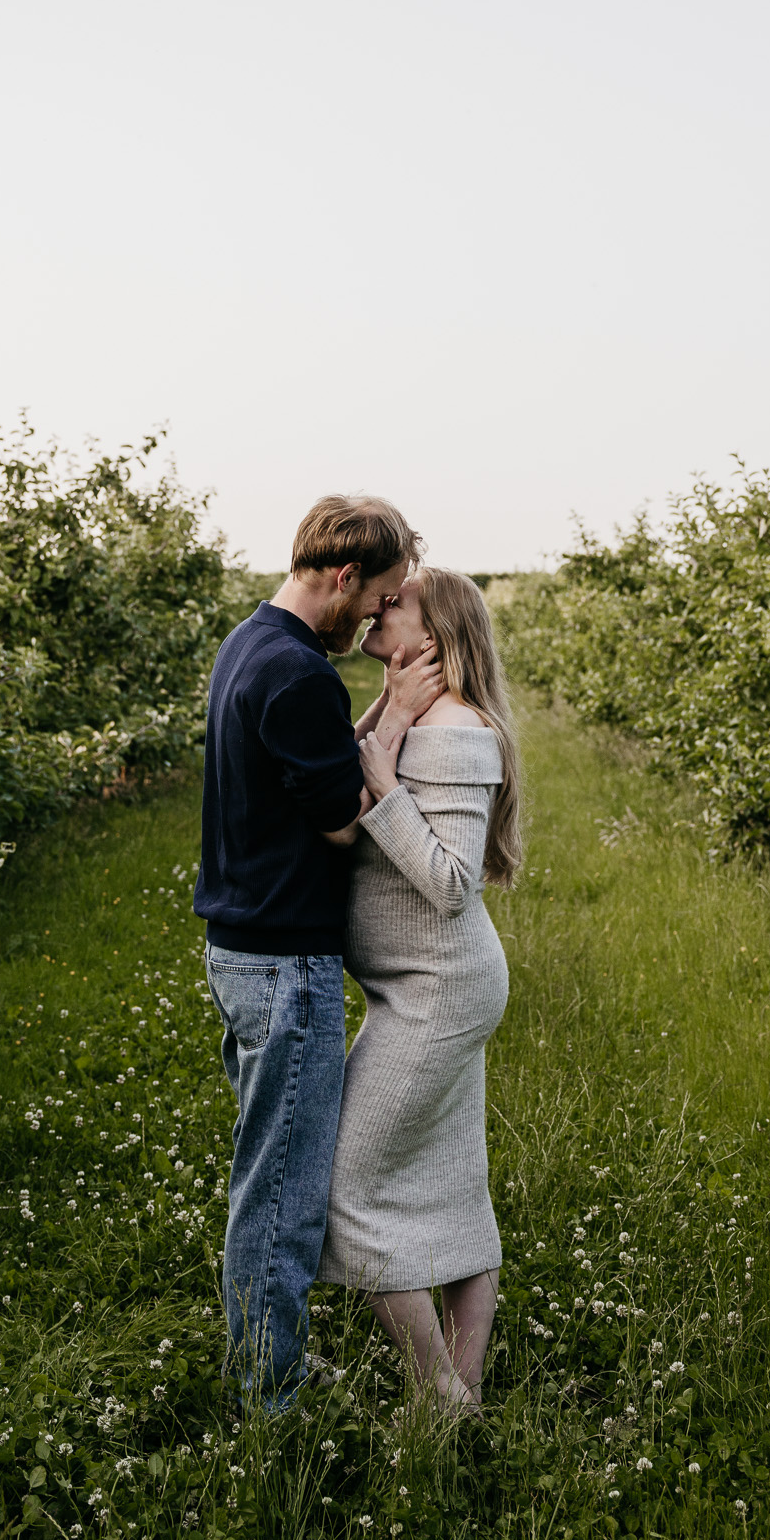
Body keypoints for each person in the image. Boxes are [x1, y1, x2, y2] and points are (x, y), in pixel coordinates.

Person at [194, 494, 444, 1408]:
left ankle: (264, 1358)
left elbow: (316, 764)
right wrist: (405, 721)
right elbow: (342, 820)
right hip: (283, 964)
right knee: (285, 1199)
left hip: (240, 949)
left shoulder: (253, 643)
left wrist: (383, 703)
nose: (377, 618)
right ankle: (269, 1399)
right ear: (343, 578)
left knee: (270, 1173)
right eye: (375, 601)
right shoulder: (300, 675)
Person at [318, 567, 523, 1413]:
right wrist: (382, 726)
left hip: (438, 990)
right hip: (421, 988)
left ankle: (441, 1394)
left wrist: (388, 786)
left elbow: (447, 885)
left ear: (432, 636)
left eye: (394, 602)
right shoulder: (421, 720)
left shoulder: (455, 733)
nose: (376, 603)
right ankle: (462, 1398)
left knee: (344, 1189)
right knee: (449, 1185)